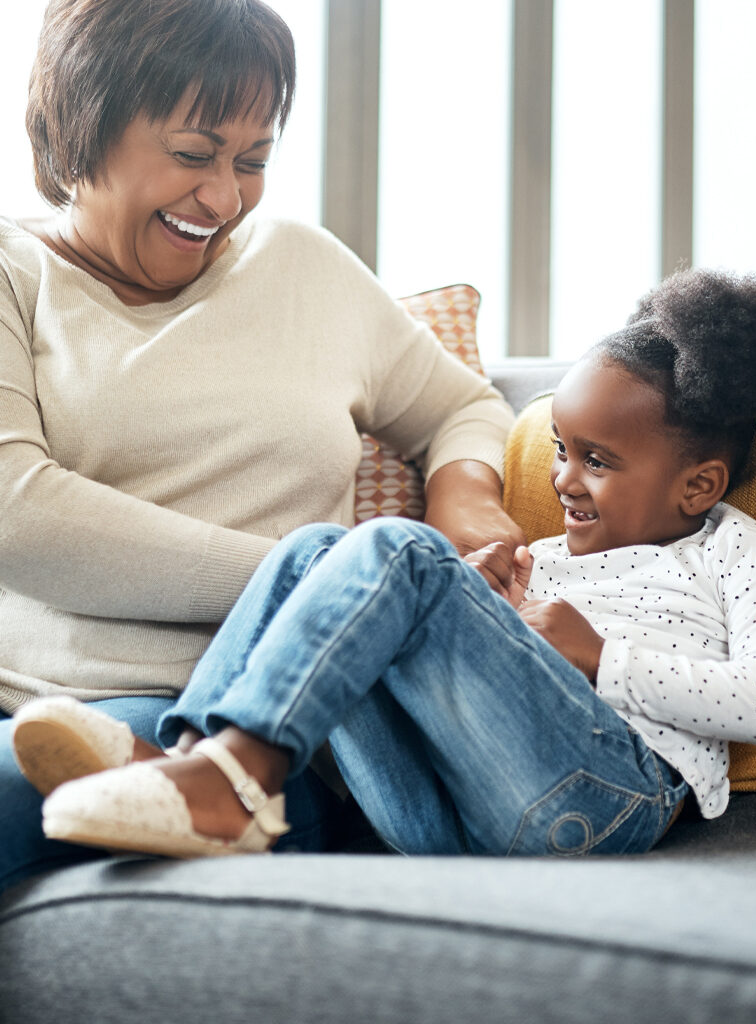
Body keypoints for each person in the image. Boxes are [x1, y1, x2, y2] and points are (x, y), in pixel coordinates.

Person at [0, 0, 520, 892]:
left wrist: (463, 493)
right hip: (33, 698)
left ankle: (194, 792)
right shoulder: (16, 275)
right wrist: (331, 583)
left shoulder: (303, 267)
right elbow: (18, 511)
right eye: (195, 154)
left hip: (242, 721)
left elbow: (462, 406)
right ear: (81, 127)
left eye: (254, 161)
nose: (225, 197)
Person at [18, 267, 756, 859]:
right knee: (316, 550)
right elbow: (476, 697)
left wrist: (602, 657)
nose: (563, 479)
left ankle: (228, 783)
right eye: (562, 451)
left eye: (598, 462)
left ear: (697, 484)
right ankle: (193, 764)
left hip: (605, 798)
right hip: (443, 811)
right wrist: (463, 617)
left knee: (399, 545)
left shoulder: (728, 547)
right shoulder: (534, 562)